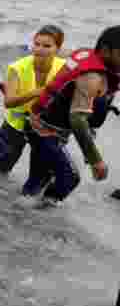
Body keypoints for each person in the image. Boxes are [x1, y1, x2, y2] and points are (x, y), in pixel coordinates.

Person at [23, 25, 120, 207]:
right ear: (106, 51)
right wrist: (95, 160)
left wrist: (89, 133)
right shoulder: (92, 77)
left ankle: (18, 212)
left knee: (38, 181)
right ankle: (39, 215)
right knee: (69, 177)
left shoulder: (85, 54)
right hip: (45, 131)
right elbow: (77, 119)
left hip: (36, 122)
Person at [0, 25, 66, 175]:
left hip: (46, 127)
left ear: (58, 48)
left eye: (47, 46)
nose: (39, 49)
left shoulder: (64, 68)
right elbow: (8, 102)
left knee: (41, 175)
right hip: (16, 126)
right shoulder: (17, 68)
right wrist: (39, 92)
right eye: (36, 44)